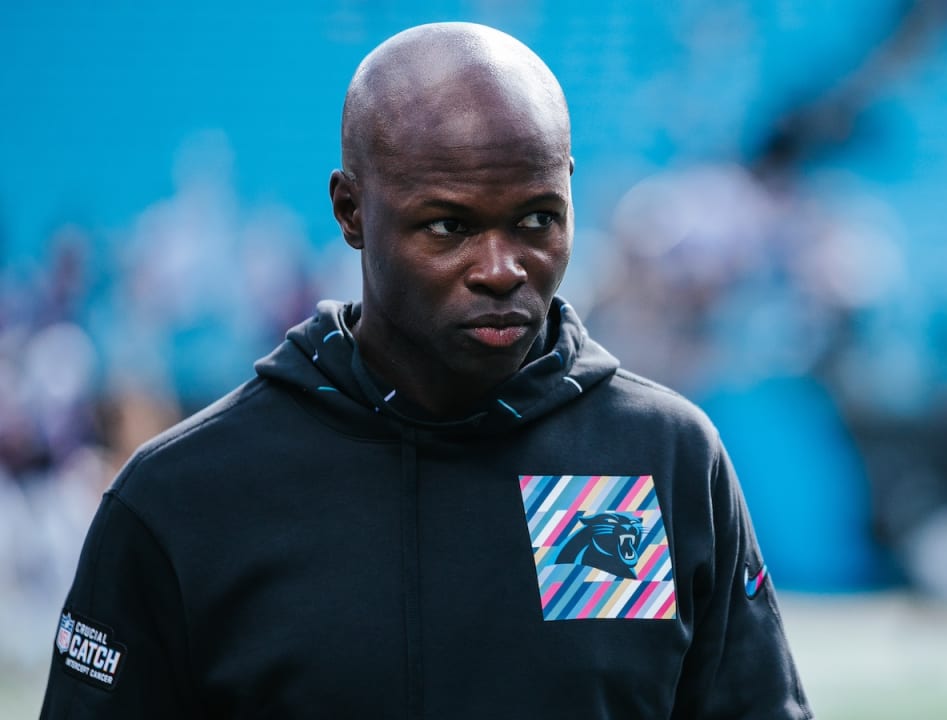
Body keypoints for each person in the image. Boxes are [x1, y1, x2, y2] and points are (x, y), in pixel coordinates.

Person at [39, 22, 812, 719]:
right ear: (350, 211)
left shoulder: (664, 459)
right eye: (449, 225)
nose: (502, 268)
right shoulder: (184, 495)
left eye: (537, 219)